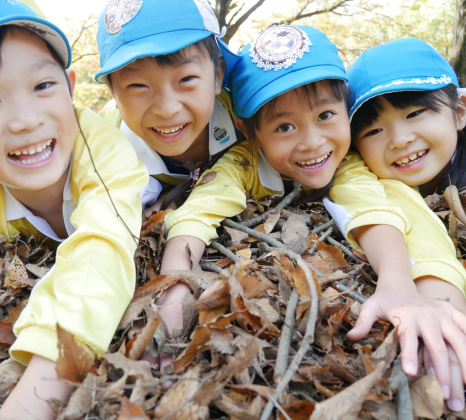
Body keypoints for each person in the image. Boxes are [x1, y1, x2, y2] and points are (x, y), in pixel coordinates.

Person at [163, 26, 466, 412]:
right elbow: (200, 210)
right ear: (251, 134)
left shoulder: (350, 164)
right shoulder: (242, 165)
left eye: (325, 115)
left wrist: (398, 285)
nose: (311, 141)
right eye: (284, 127)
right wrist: (175, 285)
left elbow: (374, 210)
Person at [0, 1, 148, 419]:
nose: (26, 120)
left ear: (70, 87)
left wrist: (40, 389)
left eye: (42, 87)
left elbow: (100, 251)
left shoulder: (104, 150)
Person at [326, 37, 466, 412]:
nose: (400, 140)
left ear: (459, 111)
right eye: (373, 131)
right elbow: (360, 193)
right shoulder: (368, 177)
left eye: (415, 113)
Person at [96, 0, 240, 209]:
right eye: (138, 86)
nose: (166, 109)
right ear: (113, 92)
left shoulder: (246, 116)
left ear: (217, 76)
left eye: (186, 79)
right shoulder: (103, 140)